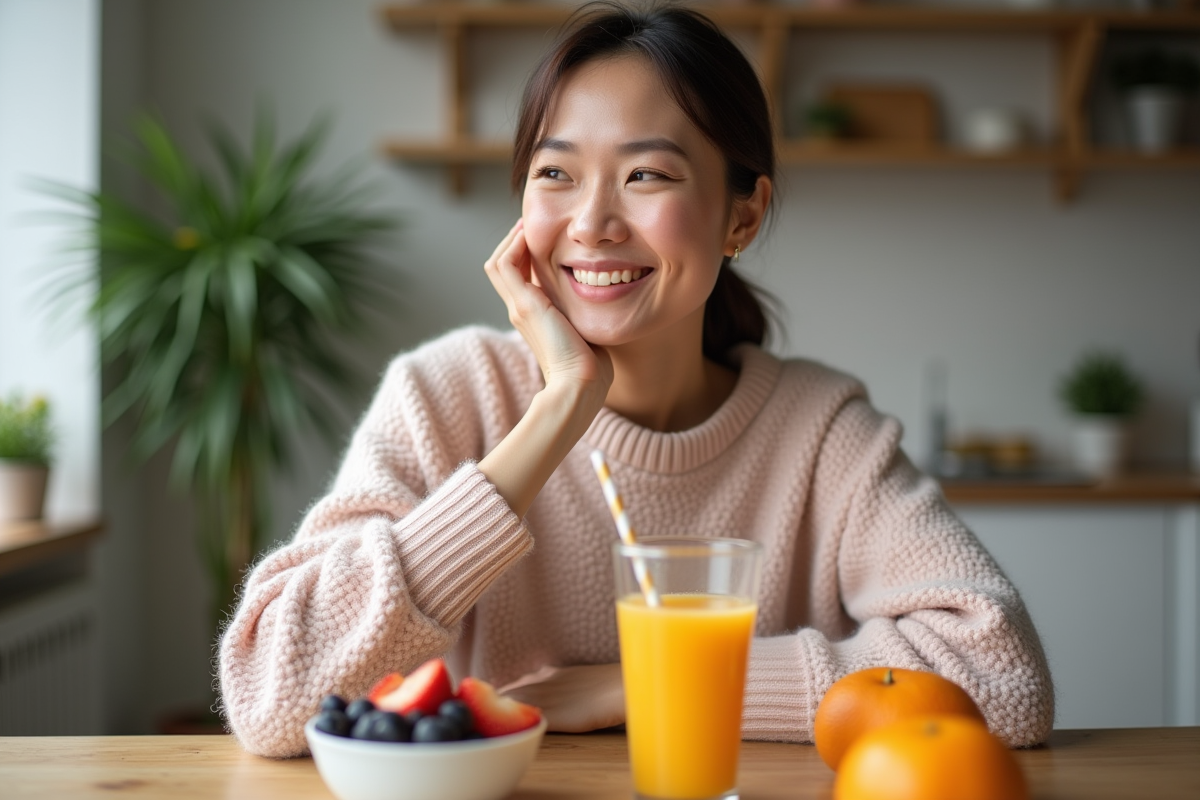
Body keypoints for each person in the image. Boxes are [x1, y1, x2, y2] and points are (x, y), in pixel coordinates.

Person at [218, 1, 1053, 759]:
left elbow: (1003, 678)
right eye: (556, 173)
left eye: (646, 174)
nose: (591, 222)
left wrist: (642, 683)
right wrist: (554, 415)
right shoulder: (445, 394)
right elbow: (270, 695)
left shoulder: (821, 430)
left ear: (742, 216)